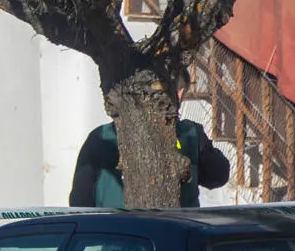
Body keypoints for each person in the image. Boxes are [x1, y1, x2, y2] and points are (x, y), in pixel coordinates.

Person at [69, 79, 230, 209]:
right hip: (180, 239)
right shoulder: (190, 134)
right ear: (179, 94)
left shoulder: (100, 137)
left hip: (113, 240)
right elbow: (218, 176)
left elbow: (79, 200)